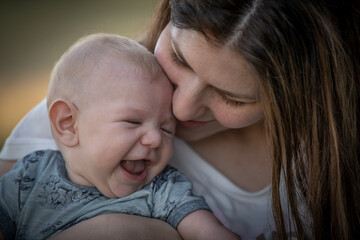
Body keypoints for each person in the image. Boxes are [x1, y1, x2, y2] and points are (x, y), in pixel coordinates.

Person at [1, 0, 359, 239]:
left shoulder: (331, 166)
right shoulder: (82, 109)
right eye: (179, 57)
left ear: (295, 94)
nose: (182, 109)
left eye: (231, 97)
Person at [0, 33, 240, 240]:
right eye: (133, 122)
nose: (155, 139)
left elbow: (204, 231)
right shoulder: (29, 177)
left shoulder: (162, 188)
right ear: (69, 125)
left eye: (167, 129)